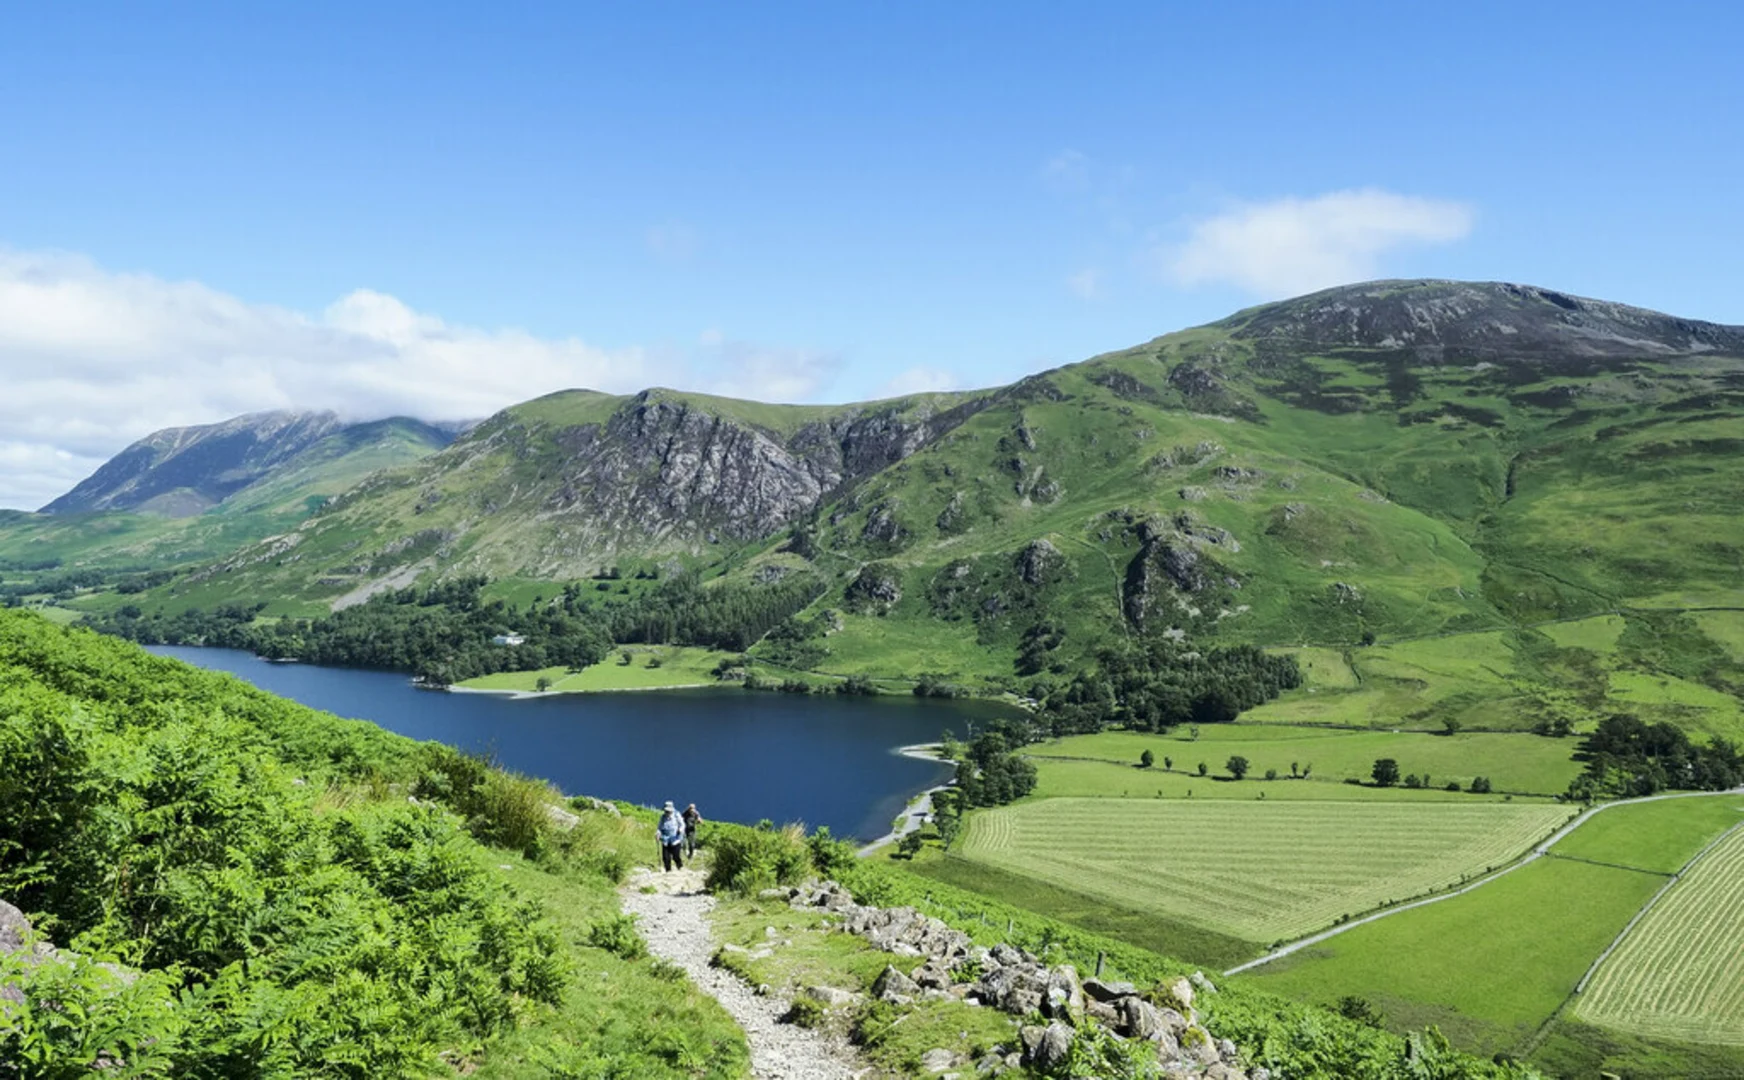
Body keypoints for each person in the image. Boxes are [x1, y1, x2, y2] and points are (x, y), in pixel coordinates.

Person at [657, 801, 686, 871]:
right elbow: (659, 827)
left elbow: (682, 824)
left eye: (669, 811)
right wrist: (658, 833)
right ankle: (668, 871)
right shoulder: (663, 817)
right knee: (665, 857)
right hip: (665, 839)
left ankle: (680, 867)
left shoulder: (676, 815)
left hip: (675, 839)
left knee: (676, 856)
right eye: (666, 811)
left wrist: (680, 829)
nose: (667, 812)